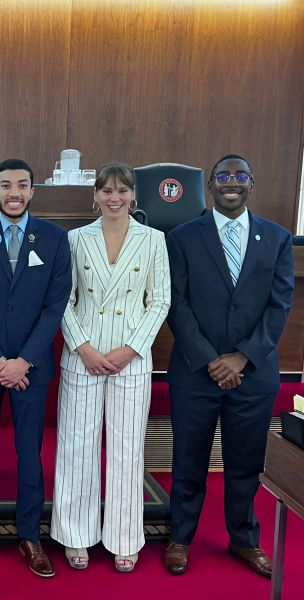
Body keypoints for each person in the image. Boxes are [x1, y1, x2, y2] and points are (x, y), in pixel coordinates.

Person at [163, 154, 294, 578]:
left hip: (253, 374)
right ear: (211, 185)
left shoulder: (276, 238)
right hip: (195, 370)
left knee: (245, 463)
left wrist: (242, 356)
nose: (231, 182)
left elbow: (279, 304)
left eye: (240, 176)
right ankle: (180, 537)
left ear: (251, 183)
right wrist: (209, 359)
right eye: (223, 176)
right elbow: (176, 304)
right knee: (188, 461)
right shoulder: (182, 237)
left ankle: (243, 539)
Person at [50, 163, 170, 573]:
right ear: (95, 196)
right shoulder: (75, 239)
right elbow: (62, 298)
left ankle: (124, 537)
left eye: (122, 191)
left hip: (130, 361)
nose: (114, 198)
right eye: (106, 191)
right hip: (82, 357)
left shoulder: (153, 240)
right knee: (77, 448)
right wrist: (82, 346)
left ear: (134, 195)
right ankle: (76, 536)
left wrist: (130, 349)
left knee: (126, 450)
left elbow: (160, 301)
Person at [0, 159, 71, 578]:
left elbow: (55, 305)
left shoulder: (55, 240)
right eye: (6, 186)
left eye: (22, 185)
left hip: (31, 368)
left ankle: (30, 536)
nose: (14, 192)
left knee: (29, 455)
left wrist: (23, 360)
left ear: (33, 191)